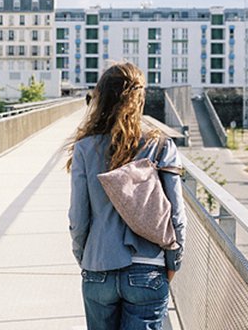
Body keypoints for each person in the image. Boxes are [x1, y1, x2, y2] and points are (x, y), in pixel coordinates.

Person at [66, 62, 186, 330]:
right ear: (140, 97)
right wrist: (173, 263)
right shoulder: (160, 145)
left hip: (99, 269)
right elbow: (176, 214)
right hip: (148, 269)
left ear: (101, 97)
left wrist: (85, 258)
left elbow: (78, 218)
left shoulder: (85, 147)